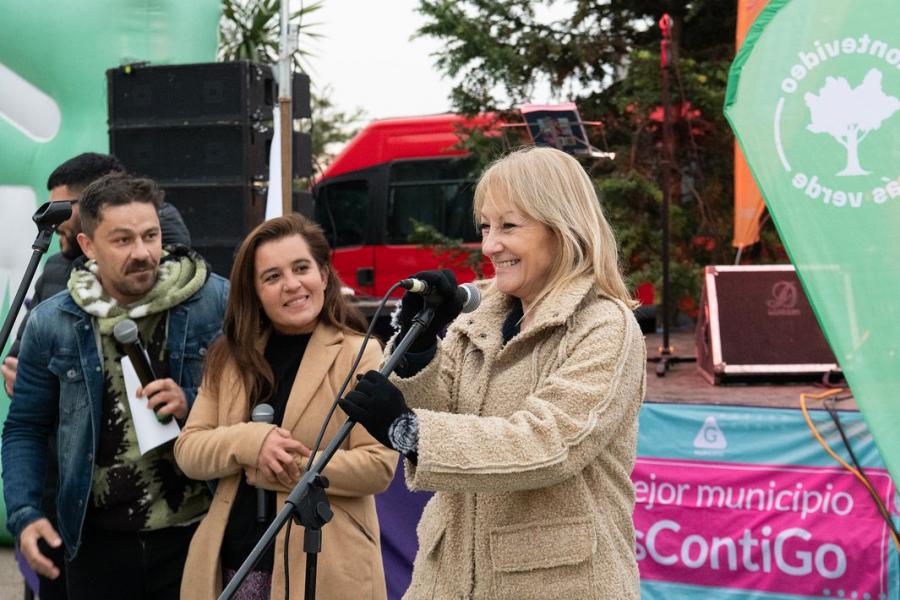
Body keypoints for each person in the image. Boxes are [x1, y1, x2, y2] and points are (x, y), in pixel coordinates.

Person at [340, 146, 647, 599]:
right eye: (485, 226)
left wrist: (408, 431)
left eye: (508, 226)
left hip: (559, 586)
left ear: (562, 227)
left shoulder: (605, 325)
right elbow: (445, 413)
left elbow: (549, 443)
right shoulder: (478, 317)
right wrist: (419, 350)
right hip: (447, 581)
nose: (489, 246)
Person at [1, 172, 228, 600]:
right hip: (95, 543)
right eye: (122, 240)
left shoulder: (213, 303)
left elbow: (259, 401)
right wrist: (25, 513)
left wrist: (193, 403)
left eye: (150, 236)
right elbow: (25, 428)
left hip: (196, 534)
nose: (142, 252)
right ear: (88, 246)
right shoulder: (53, 322)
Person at [174, 214, 397, 600]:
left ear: (324, 275)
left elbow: (378, 467)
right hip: (234, 566)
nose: (291, 285)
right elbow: (189, 451)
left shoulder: (360, 353)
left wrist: (287, 469)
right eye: (272, 276)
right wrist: (250, 441)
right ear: (255, 291)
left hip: (325, 569)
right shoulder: (228, 358)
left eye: (301, 268)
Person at [2, 152, 191, 396]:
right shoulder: (55, 270)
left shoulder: (174, 276)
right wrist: (20, 383)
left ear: (96, 201)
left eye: (61, 208)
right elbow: (20, 362)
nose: (54, 220)